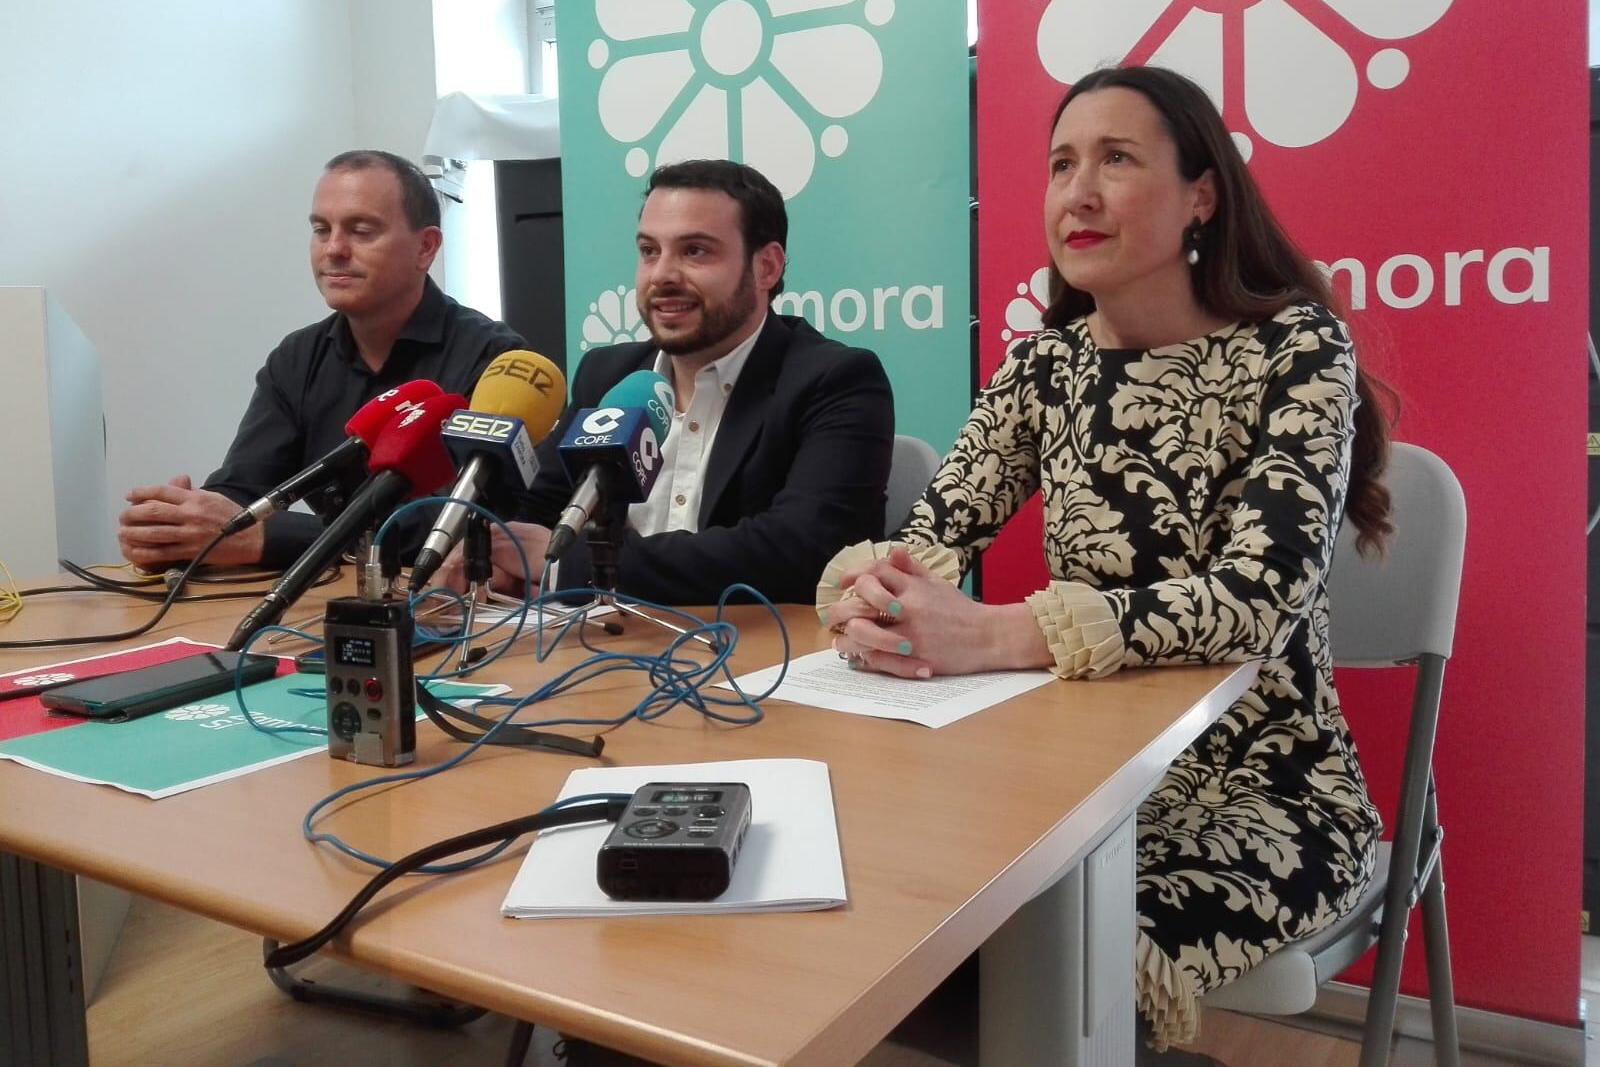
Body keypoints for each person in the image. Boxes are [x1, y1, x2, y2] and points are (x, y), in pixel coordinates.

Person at [823, 65, 1392, 1053]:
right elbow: (934, 538)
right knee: (895, 913)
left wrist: (1003, 633)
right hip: (1070, 785)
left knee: (1051, 958)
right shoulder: (1047, 364)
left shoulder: (1297, 347)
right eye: (1060, 164)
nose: (1077, 192)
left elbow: (1259, 599)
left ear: (1200, 196)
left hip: (1266, 794)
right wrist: (880, 594)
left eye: (1116, 160)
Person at [445, 158, 894, 605]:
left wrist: (572, 565)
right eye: (649, 251)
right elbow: (538, 512)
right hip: (606, 649)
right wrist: (493, 557)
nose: (662, 275)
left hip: (757, 659)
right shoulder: (608, 375)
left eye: (695, 251)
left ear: (767, 268)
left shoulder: (835, 380)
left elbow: (803, 551)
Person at [117, 150, 525, 570]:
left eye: (361, 231)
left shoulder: (495, 363)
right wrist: (181, 526)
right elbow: (244, 492)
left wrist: (268, 538)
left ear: (425, 247)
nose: (333, 250)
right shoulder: (297, 360)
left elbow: (471, 522)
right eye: (320, 229)